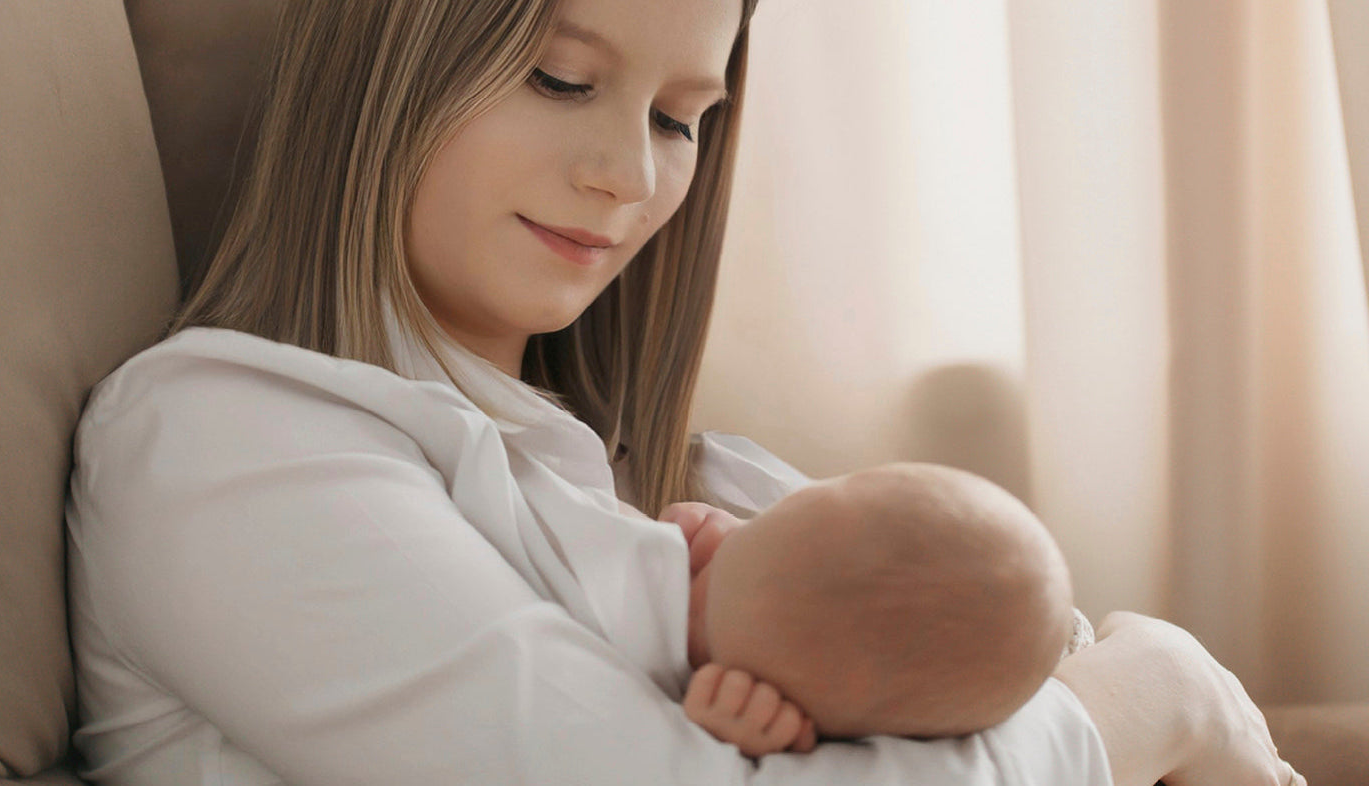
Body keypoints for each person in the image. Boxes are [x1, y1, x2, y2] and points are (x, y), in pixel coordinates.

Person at [63, 0, 1303, 783]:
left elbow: (1043, 659)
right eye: (559, 78)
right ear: (393, 61)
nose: (626, 176)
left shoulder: (723, 490)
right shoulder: (220, 438)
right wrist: (1158, 697)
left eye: (677, 116)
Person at [659, 462, 1090, 757]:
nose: (694, 569)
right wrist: (722, 534)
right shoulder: (745, 559)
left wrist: (728, 740)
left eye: (701, 624)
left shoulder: (761, 726)